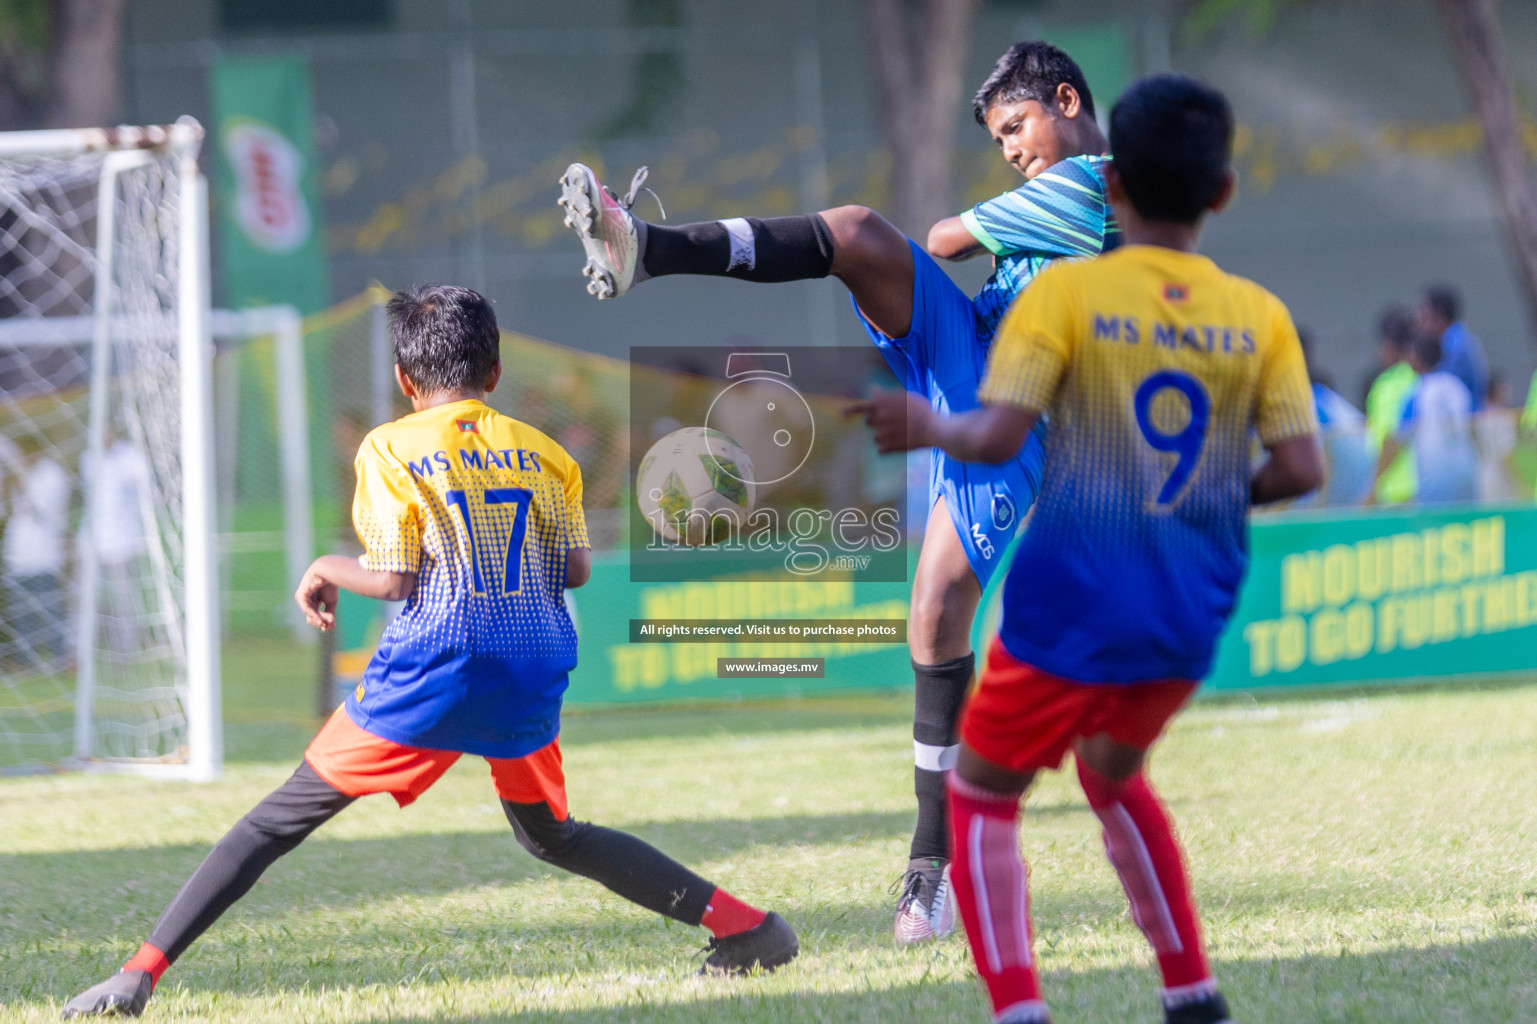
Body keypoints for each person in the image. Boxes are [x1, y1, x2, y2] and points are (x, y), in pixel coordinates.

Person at [61, 286, 797, 1019]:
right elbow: (574, 570)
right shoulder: (545, 453)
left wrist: (323, 567)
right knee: (551, 835)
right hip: (533, 659)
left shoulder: (389, 446)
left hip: (439, 661)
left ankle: (137, 976)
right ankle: (748, 929)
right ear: (497, 371)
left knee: (272, 823)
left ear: (405, 380)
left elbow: (392, 578)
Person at [558, 41, 1121, 942]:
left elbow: (944, 239)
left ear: (1066, 98)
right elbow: (952, 248)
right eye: (1000, 139)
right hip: (973, 348)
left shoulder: (1097, 181)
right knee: (856, 231)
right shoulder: (1060, 196)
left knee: (934, 610)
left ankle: (929, 870)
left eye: (1016, 128)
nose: (1012, 150)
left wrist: (992, 232)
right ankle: (645, 247)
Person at [848, 74, 1323, 1024]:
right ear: (1221, 192)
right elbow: (1301, 469)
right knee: (1111, 776)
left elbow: (992, 435)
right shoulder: (1259, 314)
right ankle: (1190, 991)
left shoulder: (1067, 299)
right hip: (1189, 613)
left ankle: (1017, 1008)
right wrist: (1208, 498)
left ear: (1108, 190)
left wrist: (926, 429)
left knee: (982, 796)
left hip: (1073, 600)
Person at [1376, 333, 1477, 504]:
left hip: (1435, 480)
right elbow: (1475, 430)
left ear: (1417, 358)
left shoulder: (1417, 393)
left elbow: (1395, 441)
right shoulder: (1457, 387)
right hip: (1466, 476)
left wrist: (1375, 483)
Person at [2, 446, 71, 669]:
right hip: (18, 556)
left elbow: (43, 511)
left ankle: (61, 656)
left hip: (44, 555)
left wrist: (22, 480)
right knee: (22, 612)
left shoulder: (52, 474)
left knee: (49, 607)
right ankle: (25, 660)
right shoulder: (15, 476)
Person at [1365, 305, 1418, 503]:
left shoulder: (1388, 384)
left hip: (1397, 493)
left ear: (1389, 346)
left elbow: (1392, 438)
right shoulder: (1421, 378)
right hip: (1425, 488)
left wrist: (1371, 489)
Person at [1416, 283, 1488, 411]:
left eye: (1424, 313)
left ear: (1439, 316)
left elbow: (1440, 390)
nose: (1420, 320)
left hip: (1463, 424)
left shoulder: (1456, 349)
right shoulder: (1459, 340)